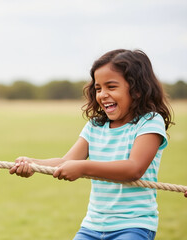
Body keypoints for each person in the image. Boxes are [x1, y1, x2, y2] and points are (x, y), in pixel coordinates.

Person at [10, 49, 174, 240]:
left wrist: (83, 167)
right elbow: (66, 161)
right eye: (98, 88)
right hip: (92, 226)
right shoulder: (95, 126)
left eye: (111, 87)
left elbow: (134, 169)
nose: (103, 95)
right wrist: (33, 164)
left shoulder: (150, 122)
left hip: (133, 226)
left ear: (137, 90)